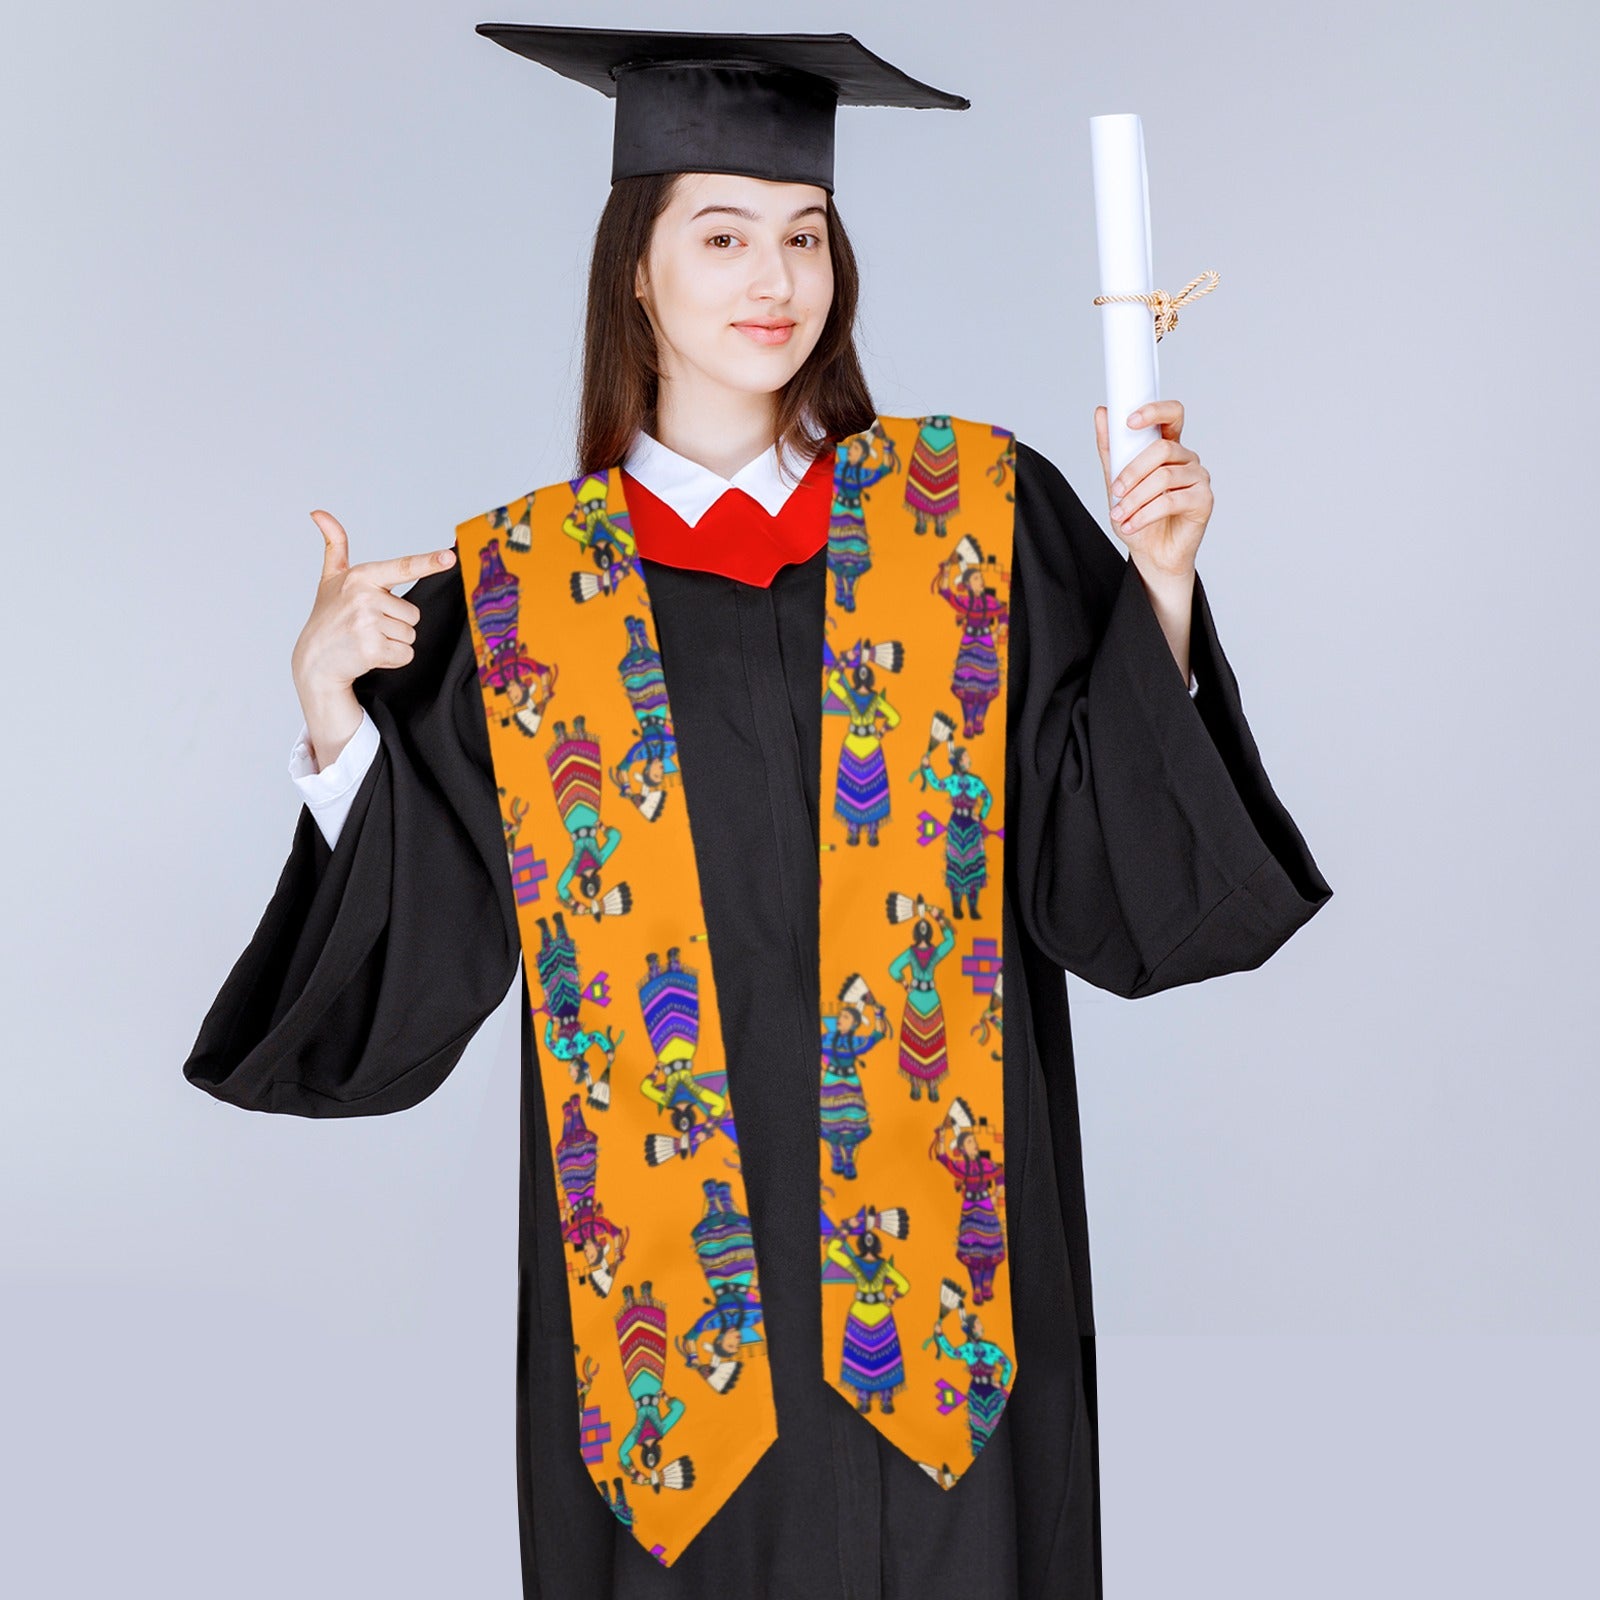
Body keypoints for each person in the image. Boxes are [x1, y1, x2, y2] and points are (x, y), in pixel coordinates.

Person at [183, 23, 1332, 1599]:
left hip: (947, 1320)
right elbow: (421, 948)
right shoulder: (526, 591)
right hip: (672, 1360)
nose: (772, 276)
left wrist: (1166, 592)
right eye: (719, 236)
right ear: (635, 273)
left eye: (804, 236)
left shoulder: (971, 516)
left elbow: (1108, 872)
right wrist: (331, 713)